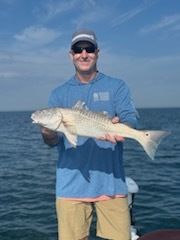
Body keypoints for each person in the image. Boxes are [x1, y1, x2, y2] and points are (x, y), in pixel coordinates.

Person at [41, 29, 138, 240]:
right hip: (70, 187)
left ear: (97, 52)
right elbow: (52, 142)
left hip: (111, 184)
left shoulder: (117, 86)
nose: (83, 54)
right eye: (78, 50)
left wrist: (121, 127)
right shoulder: (58, 94)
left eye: (89, 49)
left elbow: (130, 117)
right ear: (71, 55)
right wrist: (47, 131)